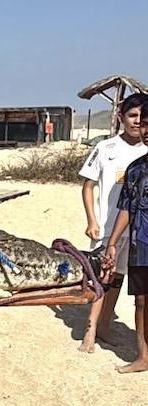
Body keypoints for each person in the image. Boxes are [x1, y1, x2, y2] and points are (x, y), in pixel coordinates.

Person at [78, 93, 146, 353]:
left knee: (117, 277)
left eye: (141, 116)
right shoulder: (106, 148)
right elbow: (88, 185)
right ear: (121, 117)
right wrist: (92, 219)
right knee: (101, 276)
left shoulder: (146, 149)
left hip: (137, 228)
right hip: (107, 226)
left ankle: (105, 325)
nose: (137, 121)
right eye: (132, 115)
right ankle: (91, 328)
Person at [104, 98, 148, 373]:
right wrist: (112, 243)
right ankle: (143, 356)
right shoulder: (136, 169)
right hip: (141, 244)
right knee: (142, 301)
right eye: (143, 124)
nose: (145, 129)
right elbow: (126, 208)